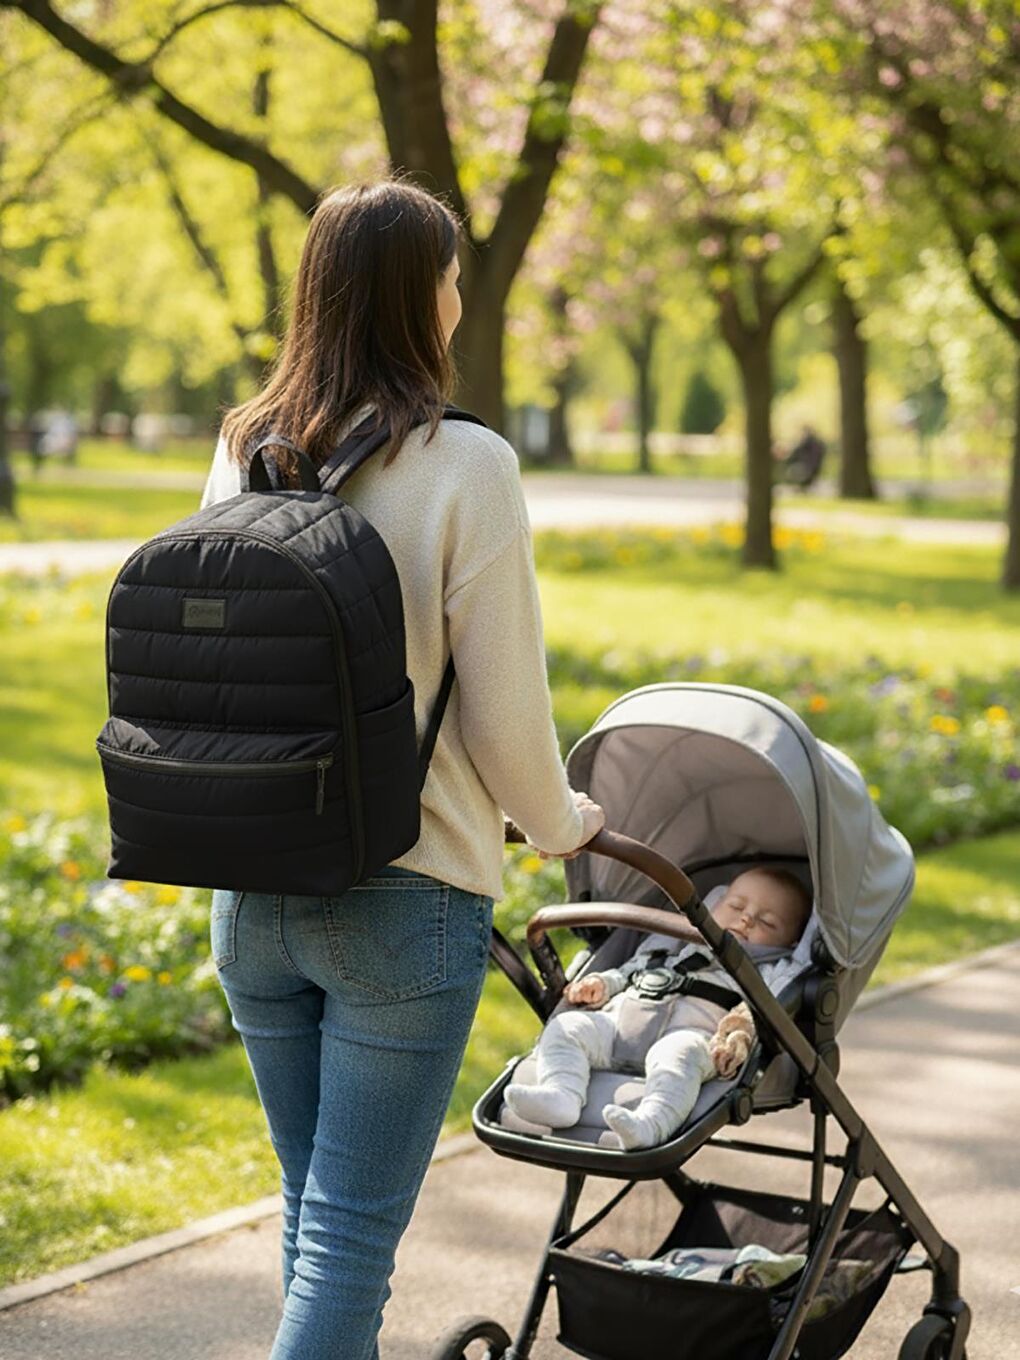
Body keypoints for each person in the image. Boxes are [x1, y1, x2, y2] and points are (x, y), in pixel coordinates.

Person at [198, 177, 605, 1360]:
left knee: (318, 1227)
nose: (461, 295)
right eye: (450, 274)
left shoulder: (243, 447)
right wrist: (567, 820)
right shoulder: (462, 465)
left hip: (252, 893)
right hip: (405, 902)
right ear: (416, 297)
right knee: (346, 1242)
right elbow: (508, 725)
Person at [503, 867, 811, 1150]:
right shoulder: (671, 944)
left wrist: (738, 1035)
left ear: (788, 943)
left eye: (767, 922)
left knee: (681, 1057)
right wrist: (601, 983)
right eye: (736, 906)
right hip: (617, 1029)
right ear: (714, 907)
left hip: (690, 1035)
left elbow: (769, 1008)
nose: (747, 919)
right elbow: (628, 971)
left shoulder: (770, 970)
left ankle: (651, 1124)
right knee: (566, 1027)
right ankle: (562, 1094)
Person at [780, 424, 826, 490]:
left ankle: (800, 485)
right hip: (812, 467)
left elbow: (795, 452)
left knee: (792, 469)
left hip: (806, 466)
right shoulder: (817, 443)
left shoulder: (807, 443)